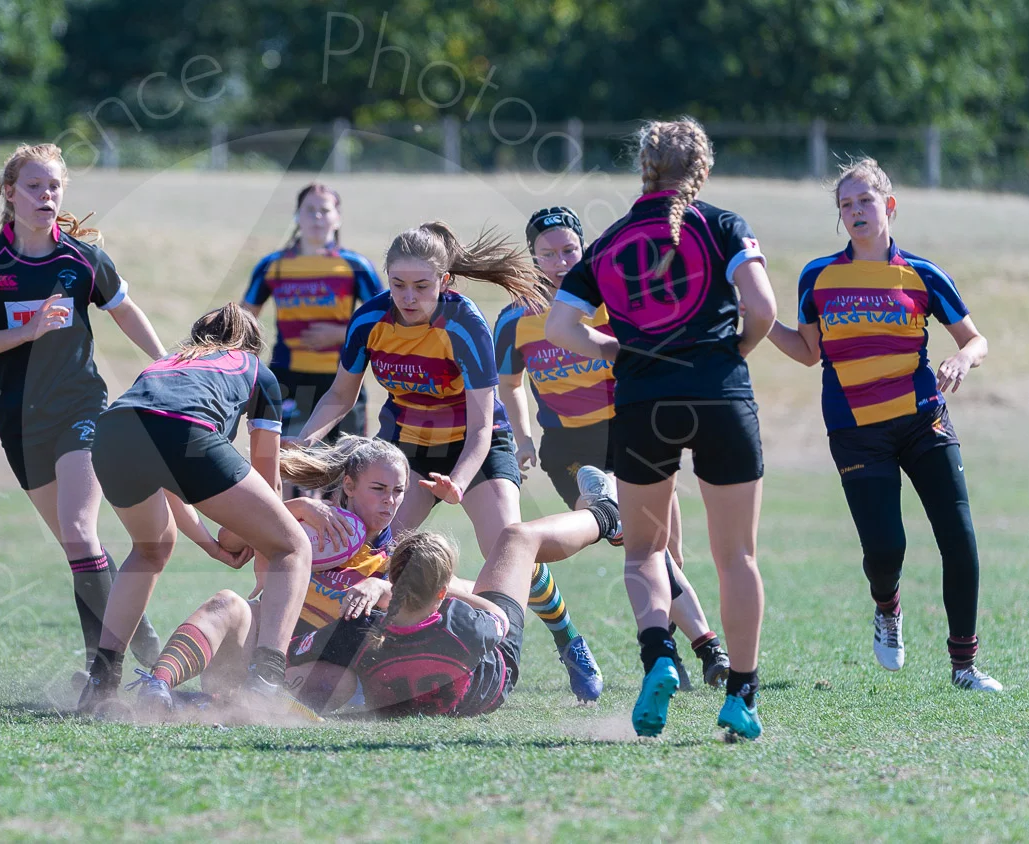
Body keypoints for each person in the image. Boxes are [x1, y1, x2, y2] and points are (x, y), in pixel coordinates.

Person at [296, 221, 605, 701]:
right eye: (397, 284)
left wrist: (458, 483)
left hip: (475, 447)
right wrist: (302, 447)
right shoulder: (369, 322)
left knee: (508, 544)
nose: (408, 296)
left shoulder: (463, 324)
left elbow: (483, 427)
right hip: (408, 449)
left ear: (445, 282)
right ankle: (371, 664)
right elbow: (339, 396)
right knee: (381, 558)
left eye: (421, 286)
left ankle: (569, 641)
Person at [546, 117, 777, 739]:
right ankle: (742, 697)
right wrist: (732, 354)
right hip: (721, 395)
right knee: (738, 557)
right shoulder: (725, 225)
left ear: (643, 166)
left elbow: (560, 329)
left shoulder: (612, 240)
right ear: (702, 166)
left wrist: (615, 352)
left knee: (645, 552)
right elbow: (763, 310)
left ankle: (660, 658)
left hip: (643, 402)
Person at [767, 158, 1001, 692]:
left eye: (864, 202)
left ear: (888, 207)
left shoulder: (921, 274)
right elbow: (808, 353)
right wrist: (760, 324)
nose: (855, 212)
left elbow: (975, 339)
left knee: (959, 537)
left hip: (923, 420)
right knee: (885, 549)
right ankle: (887, 606)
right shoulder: (817, 277)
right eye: (845, 205)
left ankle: (964, 667)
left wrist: (962, 361)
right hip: (855, 430)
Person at [496, 207, 730, 689]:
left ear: (584, 248)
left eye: (568, 251)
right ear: (532, 257)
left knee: (669, 553)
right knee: (642, 545)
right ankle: (709, 650)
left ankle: (678, 655)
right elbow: (510, 384)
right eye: (547, 253)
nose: (559, 262)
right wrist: (521, 438)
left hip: (632, 431)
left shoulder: (613, 301)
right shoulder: (516, 317)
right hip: (569, 447)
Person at [0, 143, 162, 674]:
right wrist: (26, 330)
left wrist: (166, 363)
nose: (46, 195)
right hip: (21, 424)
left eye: (54, 187)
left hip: (81, 408)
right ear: (9, 193)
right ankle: (143, 634)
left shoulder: (82, 259)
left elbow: (125, 311)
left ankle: (102, 668)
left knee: (78, 529)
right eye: (34, 186)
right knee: (79, 547)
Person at [76, 304, 314, 714]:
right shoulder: (258, 371)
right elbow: (268, 477)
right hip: (186, 434)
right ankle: (266, 681)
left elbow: (166, 473)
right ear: (252, 345)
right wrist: (253, 539)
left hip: (112, 433)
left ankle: (101, 681)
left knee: (150, 549)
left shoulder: (170, 362)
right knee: (293, 548)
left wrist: (209, 543)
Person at [130, 436, 407, 715]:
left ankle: (212, 705)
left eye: (398, 491)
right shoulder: (311, 521)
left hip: (300, 671)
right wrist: (296, 509)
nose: (390, 500)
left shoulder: (395, 558)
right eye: (378, 488)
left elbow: (442, 592)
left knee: (341, 681)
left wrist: (380, 588)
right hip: (252, 650)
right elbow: (230, 539)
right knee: (227, 603)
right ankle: (157, 686)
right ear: (349, 485)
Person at [350, 487, 619, 718]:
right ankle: (609, 514)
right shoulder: (461, 621)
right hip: (489, 691)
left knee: (506, 574)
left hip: (434, 701)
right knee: (518, 538)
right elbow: (498, 615)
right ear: (443, 594)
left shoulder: (362, 633)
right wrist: (455, 590)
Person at [242, 184, 383, 465]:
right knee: (285, 464)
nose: (317, 217)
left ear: (337, 218)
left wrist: (340, 333)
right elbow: (242, 322)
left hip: (342, 379)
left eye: (324, 210)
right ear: (297, 216)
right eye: (309, 210)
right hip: (286, 380)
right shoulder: (273, 266)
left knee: (345, 471)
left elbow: (384, 320)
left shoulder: (355, 266)